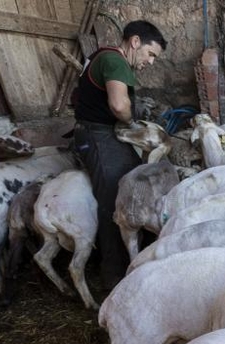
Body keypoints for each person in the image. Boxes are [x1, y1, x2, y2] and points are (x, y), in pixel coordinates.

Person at [72, 20, 167, 290]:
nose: (150, 62)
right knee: (114, 199)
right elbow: (118, 104)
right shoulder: (115, 61)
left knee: (136, 182)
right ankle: (112, 274)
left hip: (106, 134)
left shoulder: (104, 57)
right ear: (135, 41)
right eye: (151, 54)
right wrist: (131, 118)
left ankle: (142, 255)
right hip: (99, 136)